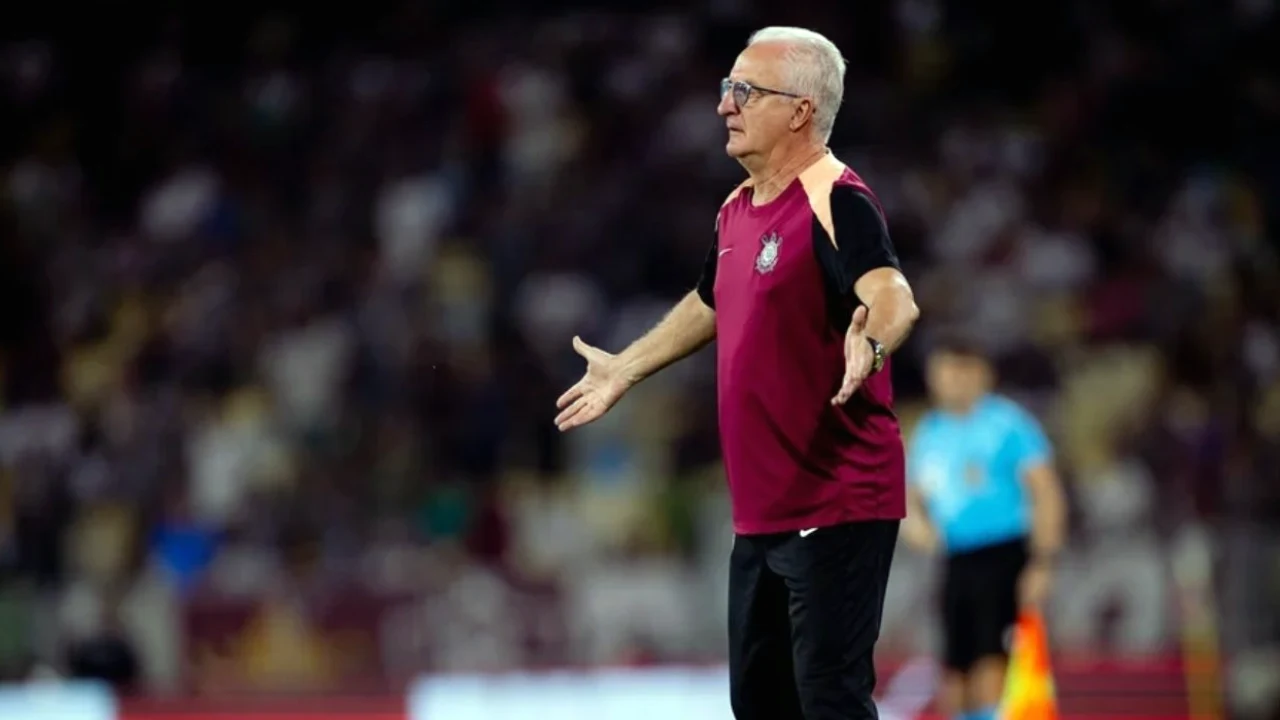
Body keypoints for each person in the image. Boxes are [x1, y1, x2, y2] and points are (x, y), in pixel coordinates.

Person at [555, 26, 920, 720]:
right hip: (761, 515)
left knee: (830, 703)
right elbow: (709, 299)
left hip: (837, 502)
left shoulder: (834, 198)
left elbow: (893, 295)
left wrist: (870, 343)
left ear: (800, 111)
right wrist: (626, 368)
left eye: (744, 91)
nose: (725, 105)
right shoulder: (736, 207)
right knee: (759, 706)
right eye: (727, 88)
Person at [901, 337, 1067, 720]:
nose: (949, 380)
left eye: (958, 370)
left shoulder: (1008, 424)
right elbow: (910, 497)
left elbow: (1046, 492)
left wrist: (1043, 562)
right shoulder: (930, 432)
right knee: (954, 670)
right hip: (956, 560)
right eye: (941, 371)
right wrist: (918, 529)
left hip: (1004, 556)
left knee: (993, 664)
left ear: (980, 374)